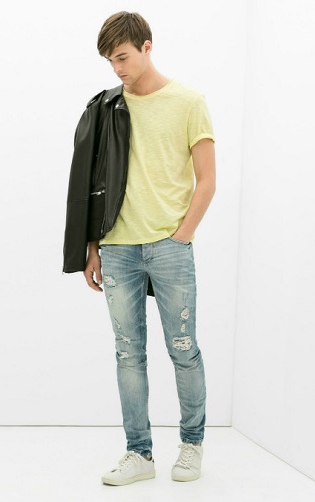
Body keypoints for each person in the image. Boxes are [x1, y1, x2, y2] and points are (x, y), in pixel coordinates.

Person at [63, 11, 216, 486]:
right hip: (118, 249)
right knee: (128, 354)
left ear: (148, 47)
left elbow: (207, 180)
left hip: (170, 246)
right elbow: (94, 183)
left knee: (183, 348)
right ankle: (139, 453)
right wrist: (93, 246)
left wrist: (182, 235)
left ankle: (191, 445)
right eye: (110, 61)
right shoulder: (108, 107)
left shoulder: (188, 102)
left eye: (123, 57)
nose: (117, 69)